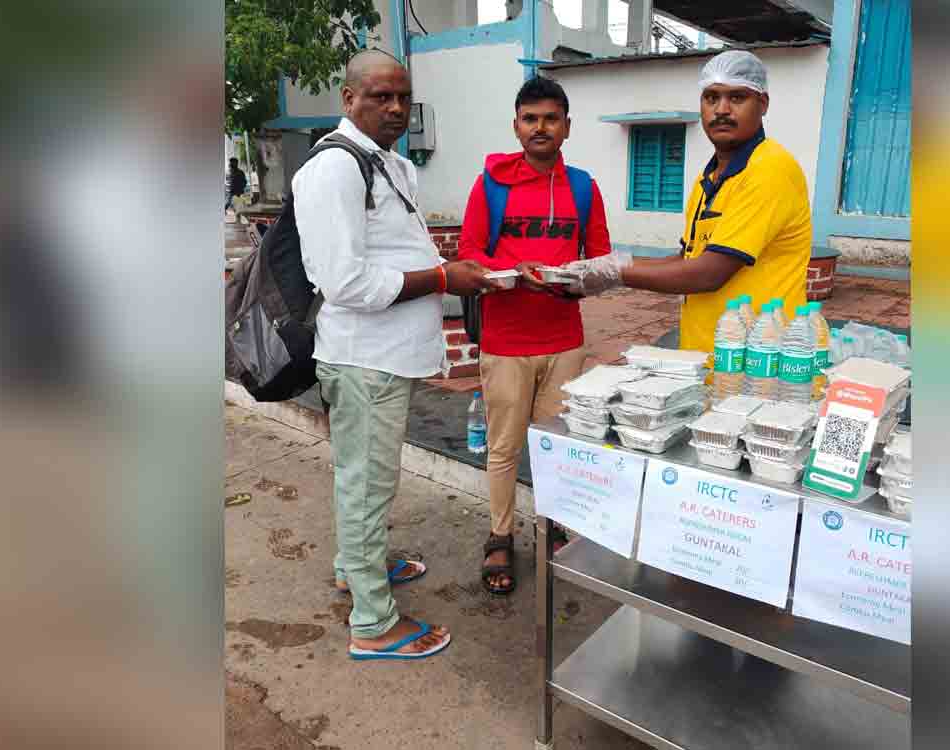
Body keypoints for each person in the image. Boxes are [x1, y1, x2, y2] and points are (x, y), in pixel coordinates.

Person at [293, 49, 500, 660]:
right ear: (348, 98)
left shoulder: (386, 164)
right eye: (380, 96)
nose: (395, 108)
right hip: (365, 359)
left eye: (404, 98)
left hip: (386, 357)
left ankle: (355, 566)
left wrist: (446, 269)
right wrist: (442, 278)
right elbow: (345, 283)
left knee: (365, 480)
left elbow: (389, 252)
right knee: (366, 485)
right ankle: (373, 624)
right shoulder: (335, 169)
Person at [457, 76, 612, 595]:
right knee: (503, 447)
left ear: (567, 126)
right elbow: (470, 254)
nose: (540, 127)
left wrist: (574, 281)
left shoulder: (584, 188)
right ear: (516, 125)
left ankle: (553, 527)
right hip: (505, 341)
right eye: (530, 119)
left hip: (565, 340)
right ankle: (500, 535)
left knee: (555, 446)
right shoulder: (491, 184)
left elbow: (601, 262)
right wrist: (514, 271)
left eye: (550, 118)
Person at [564, 50, 812, 353]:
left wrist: (615, 274)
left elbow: (709, 273)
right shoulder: (709, 179)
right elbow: (688, 259)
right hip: (708, 354)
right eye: (711, 98)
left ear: (763, 104)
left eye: (737, 98)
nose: (721, 110)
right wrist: (606, 264)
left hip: (757, 360)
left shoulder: (769, 169)